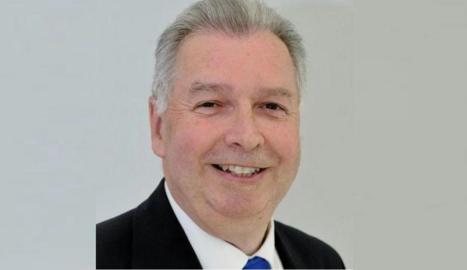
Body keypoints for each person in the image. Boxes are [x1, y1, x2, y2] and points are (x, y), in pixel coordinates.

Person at [96, 0, 345, 268]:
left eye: (271, 106)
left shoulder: (323, 262)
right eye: (211, 104)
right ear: (158, 127)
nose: (247, 137)